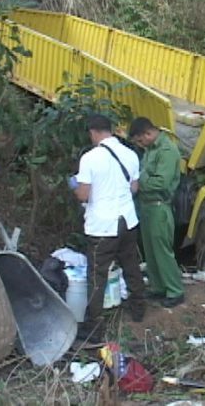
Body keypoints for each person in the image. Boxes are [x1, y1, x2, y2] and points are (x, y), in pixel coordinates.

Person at [71, 114, 146, 342]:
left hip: (102, 226)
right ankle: (139, 310)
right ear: (110, 130)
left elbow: (83, 194)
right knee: (131, 265)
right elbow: (134, 188)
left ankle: (94, 326)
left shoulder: (90, 158)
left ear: (93, 132)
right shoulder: (130, 154)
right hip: (127, 221)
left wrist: (74, 187)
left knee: (97, 274)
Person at [129, 117, 185, 308]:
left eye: (139, 140)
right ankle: (158, 287)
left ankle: (175, 290)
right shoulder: (150, 151)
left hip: (159, 206)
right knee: (150, 251)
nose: (139, 144)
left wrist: (138, 184)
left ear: (148, 133)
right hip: (147, 207)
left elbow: (161, 181)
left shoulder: (167, 151)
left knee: (162, 251)